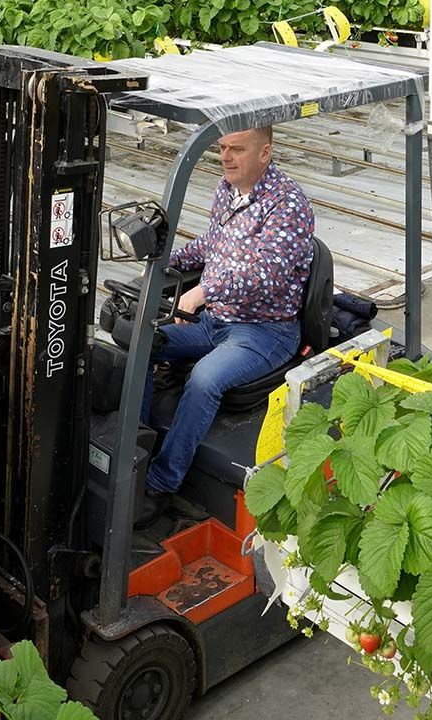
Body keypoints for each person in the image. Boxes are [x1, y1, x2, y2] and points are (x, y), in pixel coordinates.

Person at [138, 125, 314, 528]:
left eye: (238, 149)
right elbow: (213, 245)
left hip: (264, 331)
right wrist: (165, 259)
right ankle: (136, 449)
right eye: (222, 149)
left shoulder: (288, 204)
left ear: (265, 152)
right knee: (142, 341)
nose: (226, 157)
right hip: (216, 320)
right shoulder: (226, 190)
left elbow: (265, 274)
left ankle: (162, 484)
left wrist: (203, 290)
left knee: (204, 378)